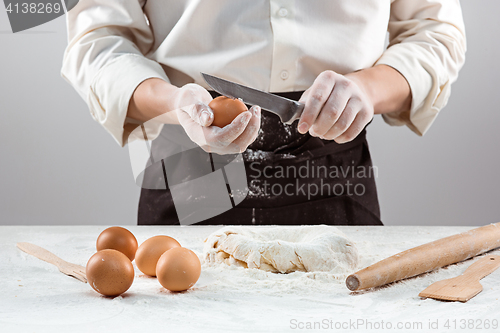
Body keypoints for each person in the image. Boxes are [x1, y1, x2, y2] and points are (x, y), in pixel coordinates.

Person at [61, 0, 466, 226]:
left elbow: (435, 32)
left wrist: (367, 88)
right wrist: (175, 103)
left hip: (333, 168)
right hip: (189, 161)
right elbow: (98, 39)